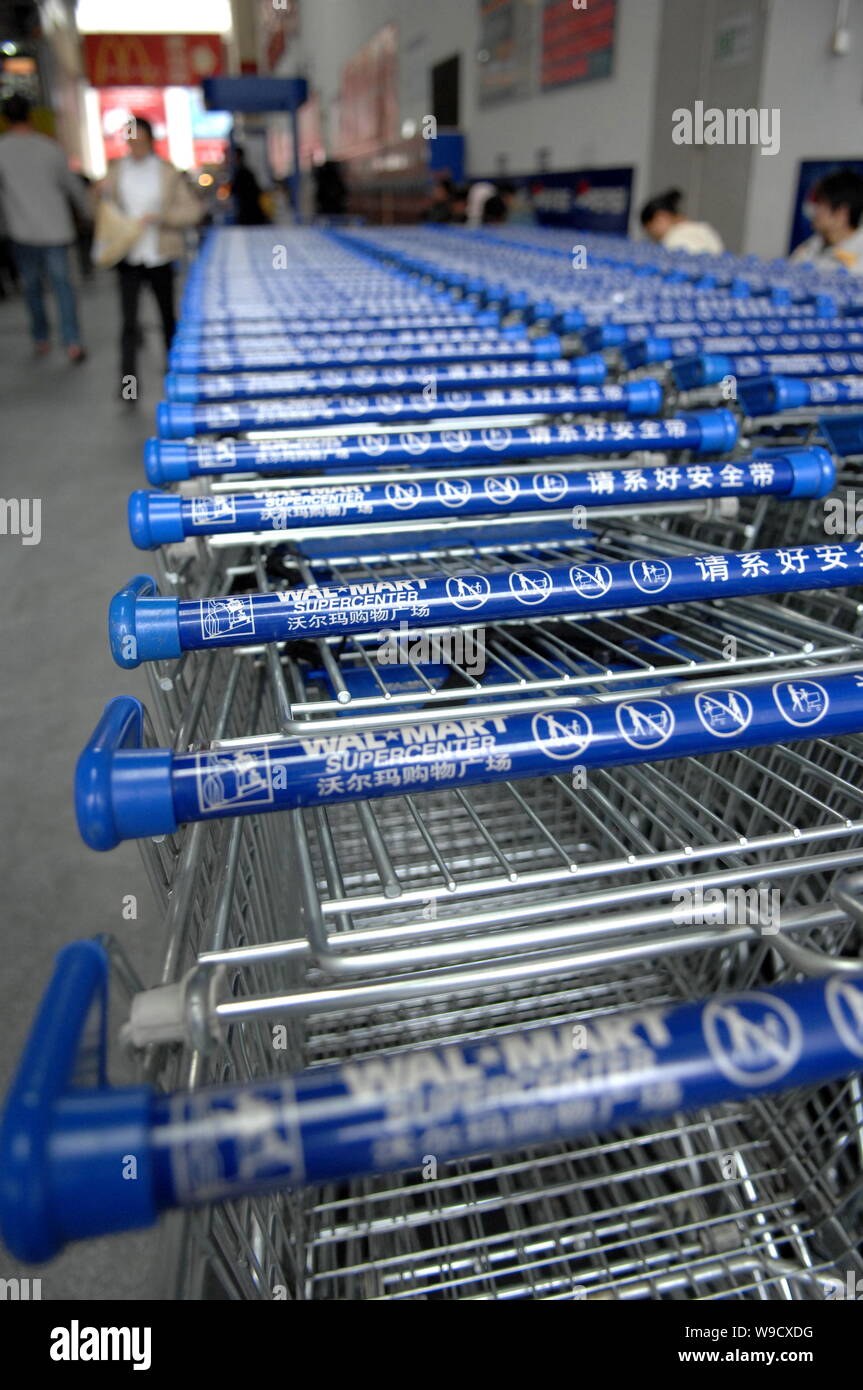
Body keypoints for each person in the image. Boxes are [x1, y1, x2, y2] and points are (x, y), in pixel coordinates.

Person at [101, 116, 202, 398]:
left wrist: (162, 218)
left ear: (150, 140)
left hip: (160, 254)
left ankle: (176, 379)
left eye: (140, 139)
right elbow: (98, 207)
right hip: (128, 255)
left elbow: (193, 211)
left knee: (167, 317)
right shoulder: (116, 172)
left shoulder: (166, 172)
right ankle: (128, 387)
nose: (135, 145)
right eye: (131, 139)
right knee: (129, 323)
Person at [0, 94, 89, 361]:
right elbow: (72, 186)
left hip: (21, 231)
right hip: (56, 230)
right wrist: (87, 212)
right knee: (63, 286)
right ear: (31, 114)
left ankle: (41, 337)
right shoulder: (50, 148)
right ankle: (72, 341)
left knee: (31, 287)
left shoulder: (2, 150)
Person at [791, 169, 863, 275]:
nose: (813, 211)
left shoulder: (859, 256)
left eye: (819, 204)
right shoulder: (811, 246)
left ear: (841, 213)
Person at [640, 188, 724, 254]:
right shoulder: (705, 230)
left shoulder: (674, 240)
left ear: (661, 217)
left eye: (650, 230)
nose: (653, 236)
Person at [231, 146, 269, 226]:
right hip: (252, 212)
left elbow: (234, 190)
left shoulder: (241, 173)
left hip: (249, 214)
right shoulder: (246, 172)